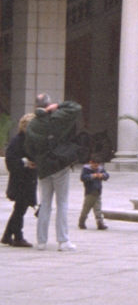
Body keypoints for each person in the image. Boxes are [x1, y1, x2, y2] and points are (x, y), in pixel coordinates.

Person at [24, 93, 82, 251]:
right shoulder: (57, 118)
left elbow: (29, 148)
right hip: (59, 164)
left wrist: (36, 159)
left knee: (45, 204)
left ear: (36, 106)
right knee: (62, 202)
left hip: (43, 166)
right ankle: (63, 241)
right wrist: (58, 106)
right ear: (49, 104)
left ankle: (41, 241)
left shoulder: (33, 124)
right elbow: (76, 107)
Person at [1, 113, 37, 248]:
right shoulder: (18, 140)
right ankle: (17, 236)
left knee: (20, 208)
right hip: (21, 180)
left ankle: (8, 235)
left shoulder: (26, 139)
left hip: (27, 179)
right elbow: (11, 160)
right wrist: (26, 164)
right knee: (20, 208)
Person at [78, 154, 109, 230]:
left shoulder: (100, 169)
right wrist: (92, 176)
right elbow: (83, 178)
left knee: (98, 209)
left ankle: (100, 223)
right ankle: (81, 222)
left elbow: (107, 175)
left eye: (97, 165)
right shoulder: (86, 169)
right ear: (90, 162)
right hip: (89, 192)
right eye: (94, 165)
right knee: (86, 209)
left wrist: (102, 175)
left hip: (98, 191)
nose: (96, 167)